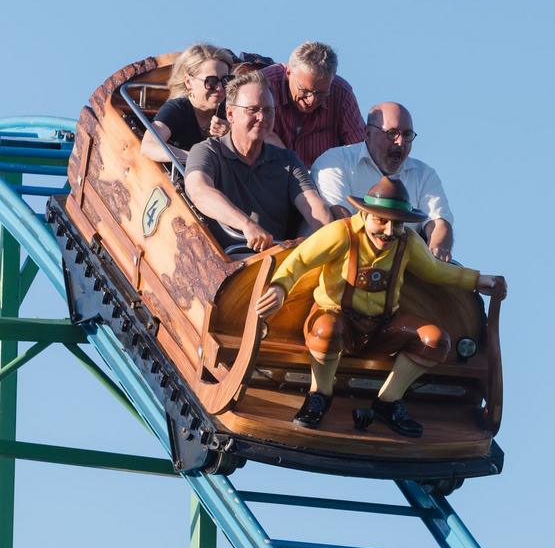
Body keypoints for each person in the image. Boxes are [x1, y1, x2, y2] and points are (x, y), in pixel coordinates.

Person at [254, 176, 505, 435]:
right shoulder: (341, 233)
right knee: (326, 330)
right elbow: (299, 261)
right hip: (336, 318)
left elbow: (434, 271)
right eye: (381, 220)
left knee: (435, 340)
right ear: (365, 214)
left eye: (396, 224)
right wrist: (279, 287)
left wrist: (476, 279)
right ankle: (319, 396)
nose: (388, 231)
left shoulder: (407, 242)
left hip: (381, 328)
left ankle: (388, 401)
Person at [184, 71, 333, 252]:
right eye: (252, 110)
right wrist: (246, 225)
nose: (261, 118)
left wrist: (331, 235)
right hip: (226, 261)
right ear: (230, 114)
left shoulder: (287, 161)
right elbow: (199, 191)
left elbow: (313, 206)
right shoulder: (207, 151)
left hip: (277, 262)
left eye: (268, 111)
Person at [310, 102, 456, 261]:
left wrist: (437, 253)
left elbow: (439, 222)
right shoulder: (335, 161)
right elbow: (341, 221)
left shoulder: (424, 174)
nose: (400, 142)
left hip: (398, 273)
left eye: (407, 135)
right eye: (392, 133)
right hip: (334, 268)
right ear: (367, 133)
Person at [261, 41, 367, 167]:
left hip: (327, 181)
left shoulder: (342, 93)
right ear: (288, 72)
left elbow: (359, 151)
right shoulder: (264, 85)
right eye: (304, 90)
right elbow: (255, 132)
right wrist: (295, 170)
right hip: (269, 174)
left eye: (321, 93)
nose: (311, 100)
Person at [142, 44, 236, 165]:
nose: (219, 88)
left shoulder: (231, 109)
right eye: (211, 82)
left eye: (226, 80)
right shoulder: (177, 109)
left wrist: (230, 136)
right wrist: (198, 158)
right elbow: (149, 146)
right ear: (188, 82)